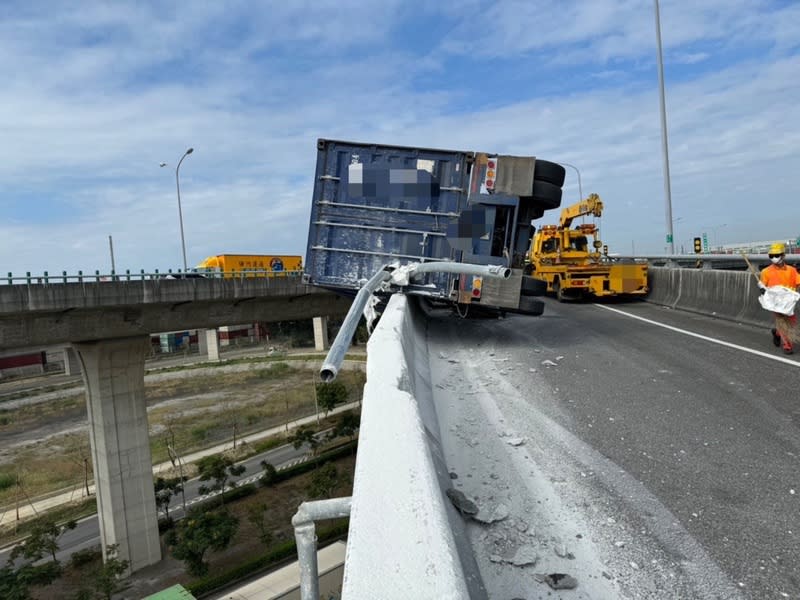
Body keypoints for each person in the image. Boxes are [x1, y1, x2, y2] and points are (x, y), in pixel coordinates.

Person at [759, 242, 800, 354]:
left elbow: (798, 282)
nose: (774, 258)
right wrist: (762, 289)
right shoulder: (766, 272)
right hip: (776, 302)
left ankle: (777, 333)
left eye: (776, 255)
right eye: (771, 256)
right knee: (784, 321)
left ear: (783, 255)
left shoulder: (792, 270)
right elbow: (762, 285)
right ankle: (787, 345)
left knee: (790, 321)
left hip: (789, 302)